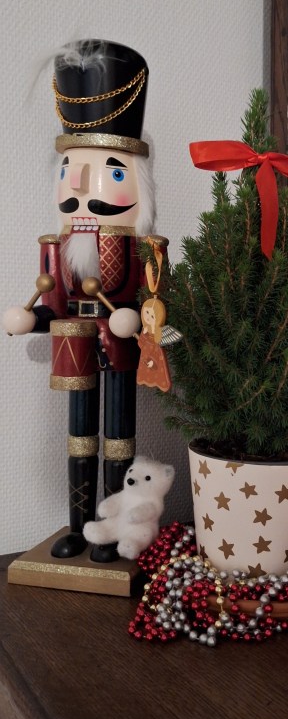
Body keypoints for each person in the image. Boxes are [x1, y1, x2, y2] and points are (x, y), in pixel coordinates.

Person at [2, 40, 168, 561]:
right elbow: (52, 303)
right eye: (69, 171)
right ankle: (79, 527)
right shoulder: (57, 246)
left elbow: (159, 308)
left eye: (111, 173)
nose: (80, 189)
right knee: (78, 438)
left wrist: (139, 321)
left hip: (119, 349)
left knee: (118, 439)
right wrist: (28, 318)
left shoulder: (147, 249)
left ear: (138, 183)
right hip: (74, 339)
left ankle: (112, 528)